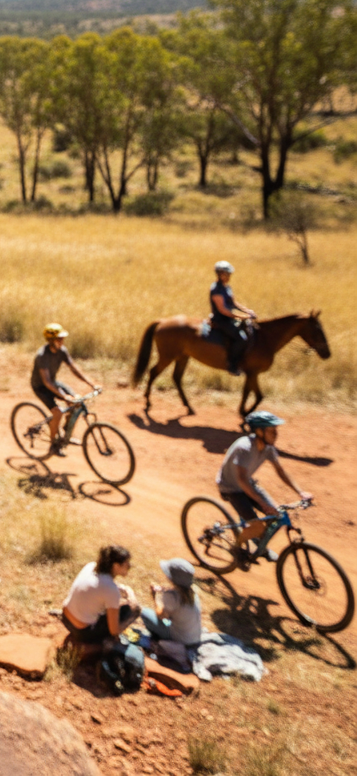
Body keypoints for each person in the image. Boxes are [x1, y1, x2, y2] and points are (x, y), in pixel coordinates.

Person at [216, 411, 313, 570]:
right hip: (231, 488)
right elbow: (241, 479)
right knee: (258, 527)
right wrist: (261, 502)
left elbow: (280, 471)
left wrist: (300, 492)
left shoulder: (268, 448)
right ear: (259, 431)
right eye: (272, 430)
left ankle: (260, 547)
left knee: (276, 515)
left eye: (276, 430)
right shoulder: (244, 447)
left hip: (248, 484)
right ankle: (236, 549)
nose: (276, 434)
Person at [30, 323, 101, 454]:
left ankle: (65, 435)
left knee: (76, 403)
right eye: (59, 339)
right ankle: (53, 444)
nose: (62, 341)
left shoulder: (62, 351)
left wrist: (91, 384)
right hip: (41, 387)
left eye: (62, 338)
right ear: (51, 341)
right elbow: (46, 382)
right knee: (58, 412)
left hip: (54, 383)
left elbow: (74, 368)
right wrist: (64, 396)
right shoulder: (42, 356)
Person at [61, 545, 141, 644]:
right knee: (131, 610)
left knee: (107, 607)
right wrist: (131, 595)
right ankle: (108, 644)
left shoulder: (91, 566)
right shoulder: (111, 589)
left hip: (65, 618)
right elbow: (113, 630)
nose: (129, 566)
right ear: (116, 566)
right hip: (81, 632)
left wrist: (121, 588)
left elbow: (96, 586)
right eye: (126, 563)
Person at [209, 260, 256, 376]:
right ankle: (232, 365)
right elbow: (223, 310)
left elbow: (234, 303)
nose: (229, 276)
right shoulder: (216, 289)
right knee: (241, 339)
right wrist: (241, 316)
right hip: (221, 320)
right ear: (220, 274)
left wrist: (247, 311)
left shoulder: (226, 287)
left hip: (229, 318)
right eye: (227, 274)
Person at [142, 558, 202, 646]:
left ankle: (158, 638)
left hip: (180, 640)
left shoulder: (172, 596)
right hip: (194, 638)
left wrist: (157, 597)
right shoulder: (193, 592)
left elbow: (160, 616)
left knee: (144, 612)